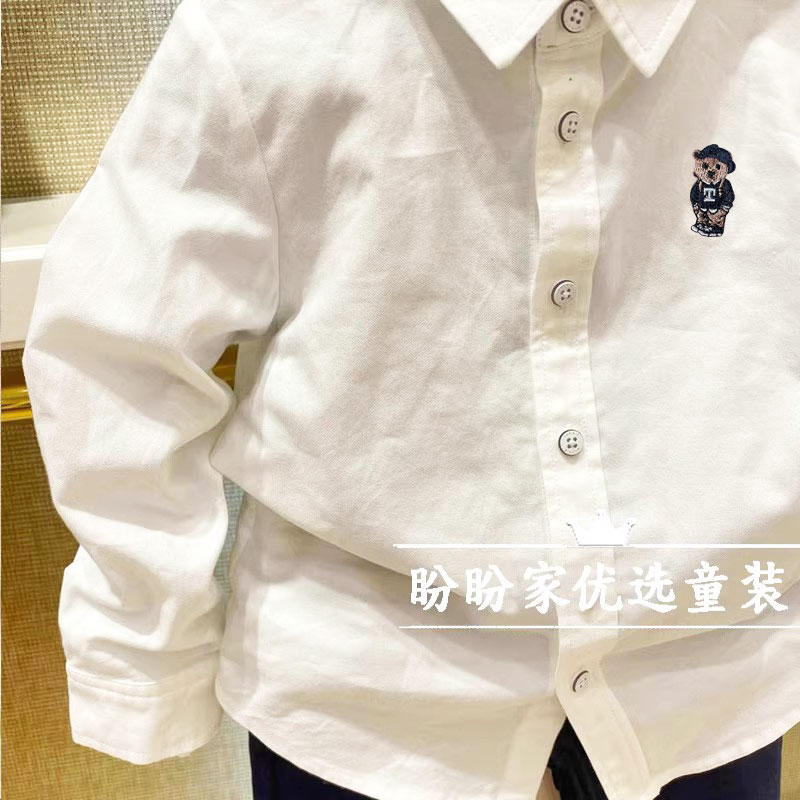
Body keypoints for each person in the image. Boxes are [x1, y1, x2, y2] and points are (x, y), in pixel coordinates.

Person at [22, 0, 799, 797]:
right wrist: (148, 645)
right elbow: (119, 346)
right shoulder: (271, 26)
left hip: (710, 673)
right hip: (368, 698)